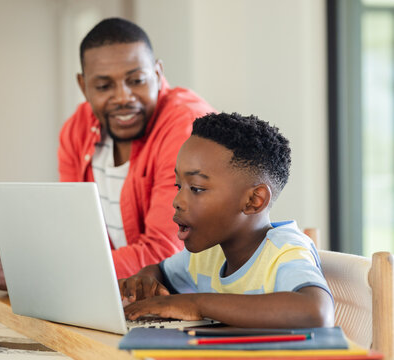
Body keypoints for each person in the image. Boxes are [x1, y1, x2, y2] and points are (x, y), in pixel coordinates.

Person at [0, 17, 216, 293]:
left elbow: (164, 255)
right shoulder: (78, 129)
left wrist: (28, 273)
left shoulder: (187, 127)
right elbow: (76, 235)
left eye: (136, 80)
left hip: (196, 303)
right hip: (124, 298)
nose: (123, 97)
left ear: (157, 74)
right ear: (83, 86)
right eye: (104, 86)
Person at [119, 112, 335, 328]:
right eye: (178, 186)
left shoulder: (284, 251)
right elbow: (160, 272)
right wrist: (145, 280)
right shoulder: (208, 255)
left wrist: (196, 304)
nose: (177, 201)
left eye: (197, 188)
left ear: (253, 200)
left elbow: (316, 312)